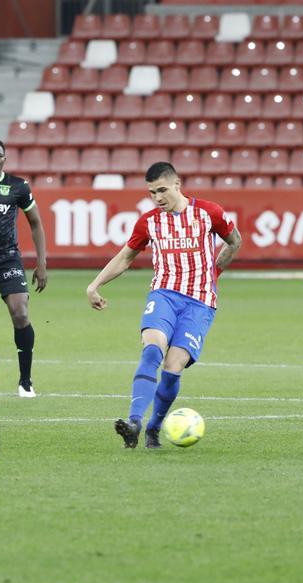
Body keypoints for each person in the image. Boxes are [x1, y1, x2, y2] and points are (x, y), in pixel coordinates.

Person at [85, 161, 242, 449]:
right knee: (152, 349)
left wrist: (214, 272)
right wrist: (94, 285)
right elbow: (125, 257)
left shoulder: (209, 213)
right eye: (151, 193)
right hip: (164, 295)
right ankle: (134, 422)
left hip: (200, 303)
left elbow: (234, 242)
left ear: (177, 185)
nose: (157, 198)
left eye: (162, 190)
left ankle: (154, 429)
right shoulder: (149, 222)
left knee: (173, 367)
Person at [0, 137, 48, 398]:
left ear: (5, 158)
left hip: (8, 258)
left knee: (20, 313)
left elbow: (35, 223)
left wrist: (41, 263)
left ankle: (25, 381)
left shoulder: (18, 187)